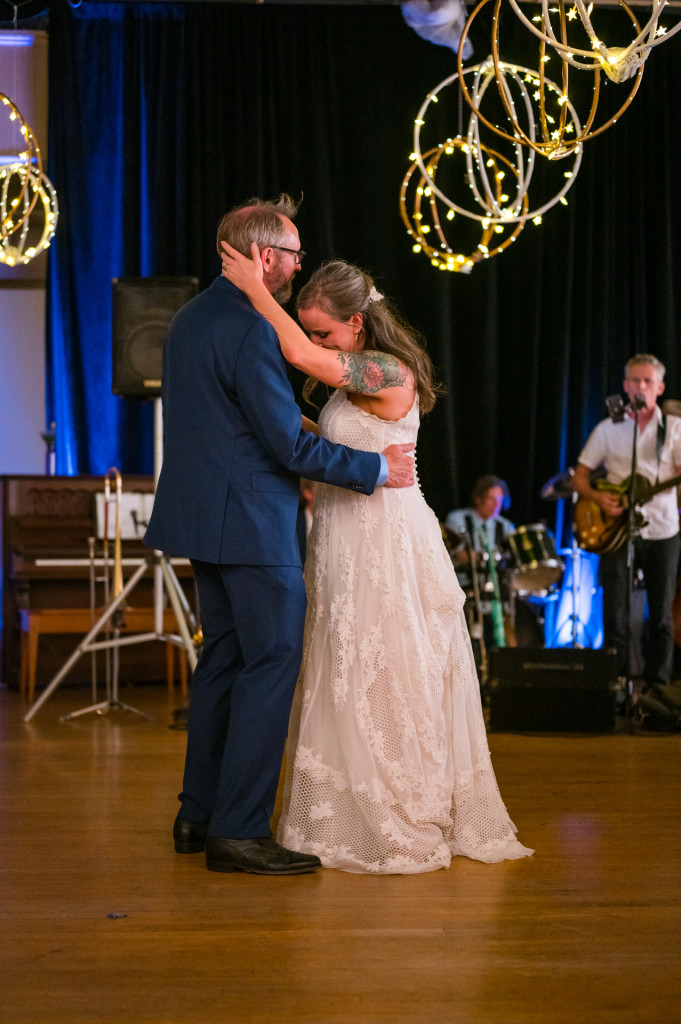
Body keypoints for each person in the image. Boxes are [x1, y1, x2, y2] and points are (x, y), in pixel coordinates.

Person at [220, 243, 533, 873]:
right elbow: (324, 425)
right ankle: (342, 809)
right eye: (311, 328)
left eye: (324, 330)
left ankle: (402, 809)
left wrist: (256, 290)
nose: (313, 340)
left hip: (386, 539)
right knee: (343, 665)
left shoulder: (390, 373)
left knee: (390, 669)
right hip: (342, 535)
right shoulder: (347, 375)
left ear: (356, 324)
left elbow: (300, 355)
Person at [144, 195, 416, 877]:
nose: (297, 264)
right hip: (253, 524)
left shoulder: (189, 318)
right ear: (265, 257)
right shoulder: (248, 328)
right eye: (292, 254)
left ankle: (197, 815)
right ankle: (237, 832)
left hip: (205, 520)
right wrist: (370, 469)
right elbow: (285, 448)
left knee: (224, 667)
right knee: (269, 669)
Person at [572, 354, 681, 688]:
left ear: (660, 387)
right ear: (625, 386)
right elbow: (579, 477)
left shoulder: (675, 429)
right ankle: (615, 686)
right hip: (617, 531)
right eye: (635, 380)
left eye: (648, 381)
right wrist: (599, 497)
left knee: (661, 614)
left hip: (663, 528)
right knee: (614, 611)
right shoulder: (609, 428)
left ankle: (656, 690)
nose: (641, 386)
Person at [445, 475, 514, 587]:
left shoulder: (506, 526)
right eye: (491, 499)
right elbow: (457, 555)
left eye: (499, 499)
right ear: (478, 499)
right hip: (462, 585)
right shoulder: (457, 518)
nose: (496, 504)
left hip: (496, 586)